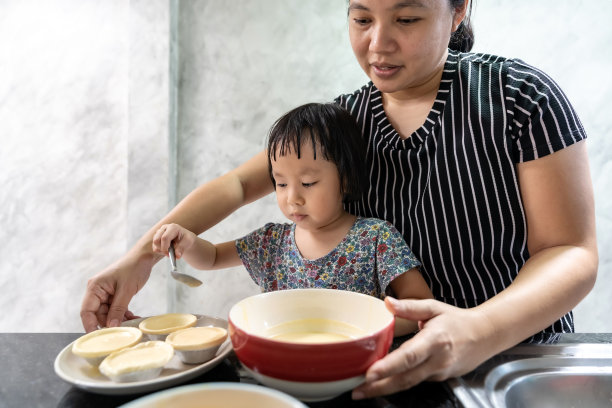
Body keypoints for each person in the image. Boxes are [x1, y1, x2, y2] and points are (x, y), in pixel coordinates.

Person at [80, 0, 598, 400]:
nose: (379, 43)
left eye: (408, 18)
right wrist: (139, 258)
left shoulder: (520, 98)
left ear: (458, 10)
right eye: (361, 18)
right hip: (387, 364)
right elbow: (237, 185)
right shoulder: (344, 124)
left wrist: (478, 330)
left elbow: (569, 252)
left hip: (517, 359)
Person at [151, 103, 433, 336]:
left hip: (351, 366)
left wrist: (363, 329)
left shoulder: (374, 238)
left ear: (345, 180)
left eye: (308, 183)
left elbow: (421, 306)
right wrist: (187, 242)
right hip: (280, 363)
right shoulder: (271, 242)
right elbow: (212, 258)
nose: (292, 198)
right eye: (281, 183)